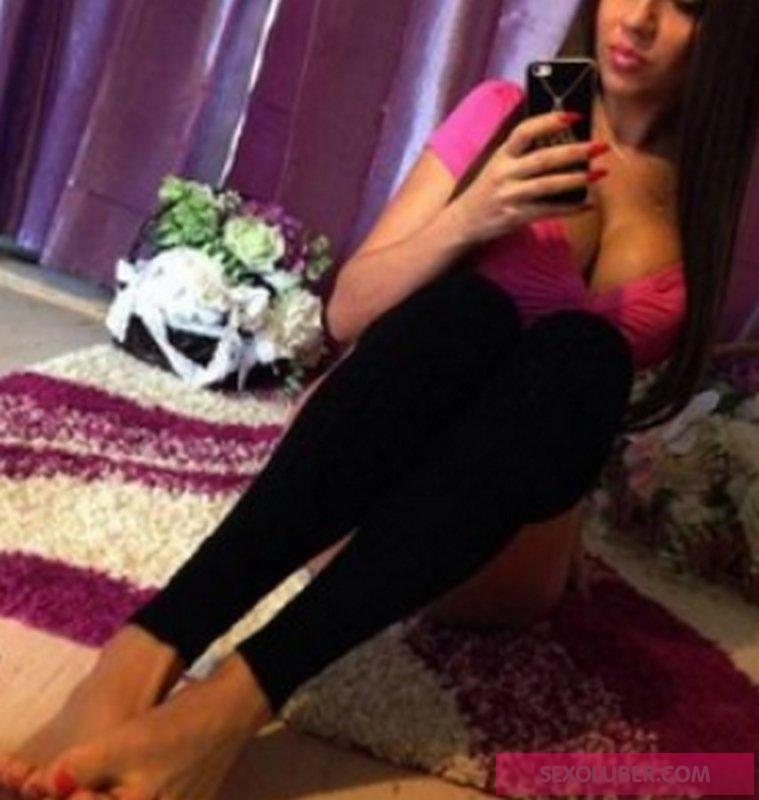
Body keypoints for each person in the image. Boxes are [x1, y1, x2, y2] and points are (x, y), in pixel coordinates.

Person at [2, 0, 757, 798]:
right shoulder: (505, 117)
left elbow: (583, 410)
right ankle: (141, 654)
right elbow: (346, 312)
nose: (637, 19)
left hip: (497, 543)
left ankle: (225, 705)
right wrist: (472, 217)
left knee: (582, 353)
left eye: (684, 4)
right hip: (348, 483)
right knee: (467, 313)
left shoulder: (700, 198)